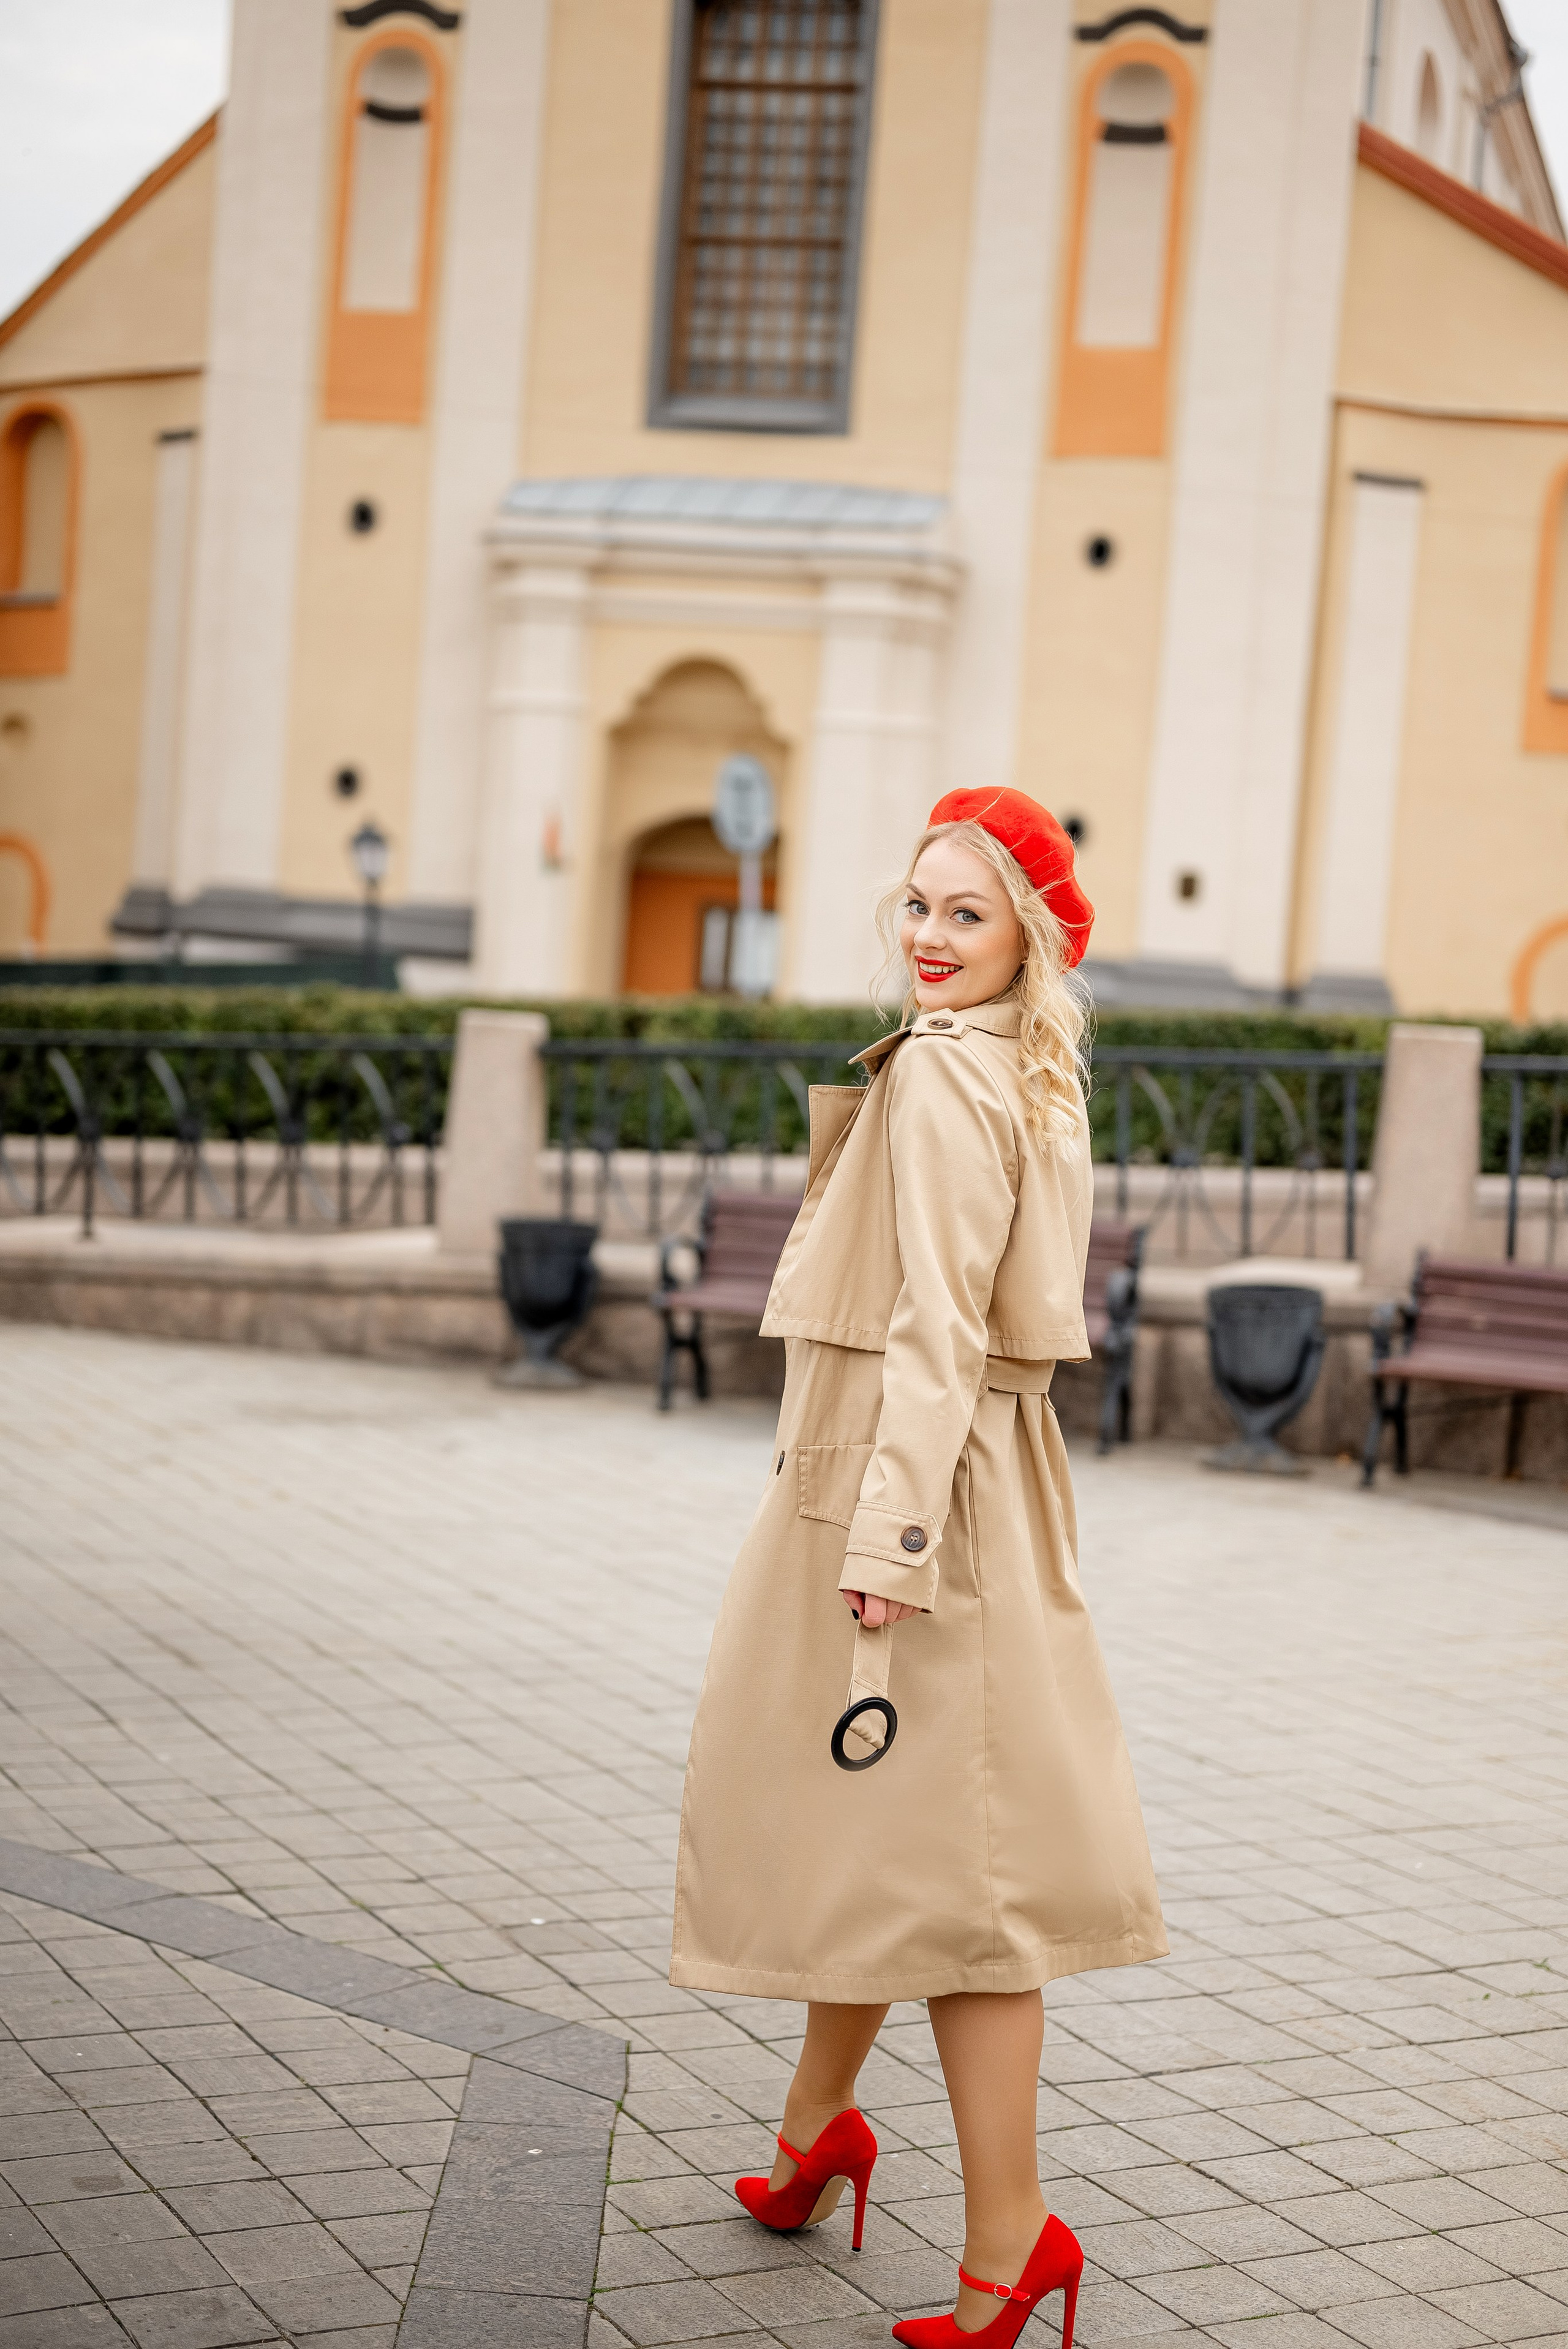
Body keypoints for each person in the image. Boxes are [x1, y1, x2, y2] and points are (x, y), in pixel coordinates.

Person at [669, 789, 1166, 2349]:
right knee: (876, 1835)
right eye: (916, 904)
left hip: (906, 1494)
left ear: (1024, 931)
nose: (928, 936)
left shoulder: (952, 1076)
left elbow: (937, 1326)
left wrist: (887, 1538)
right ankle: (819, 2131)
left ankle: (1012, 2236)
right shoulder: (1009, 1062)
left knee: (959, 1888)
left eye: (965, 911)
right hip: (939, 1484)